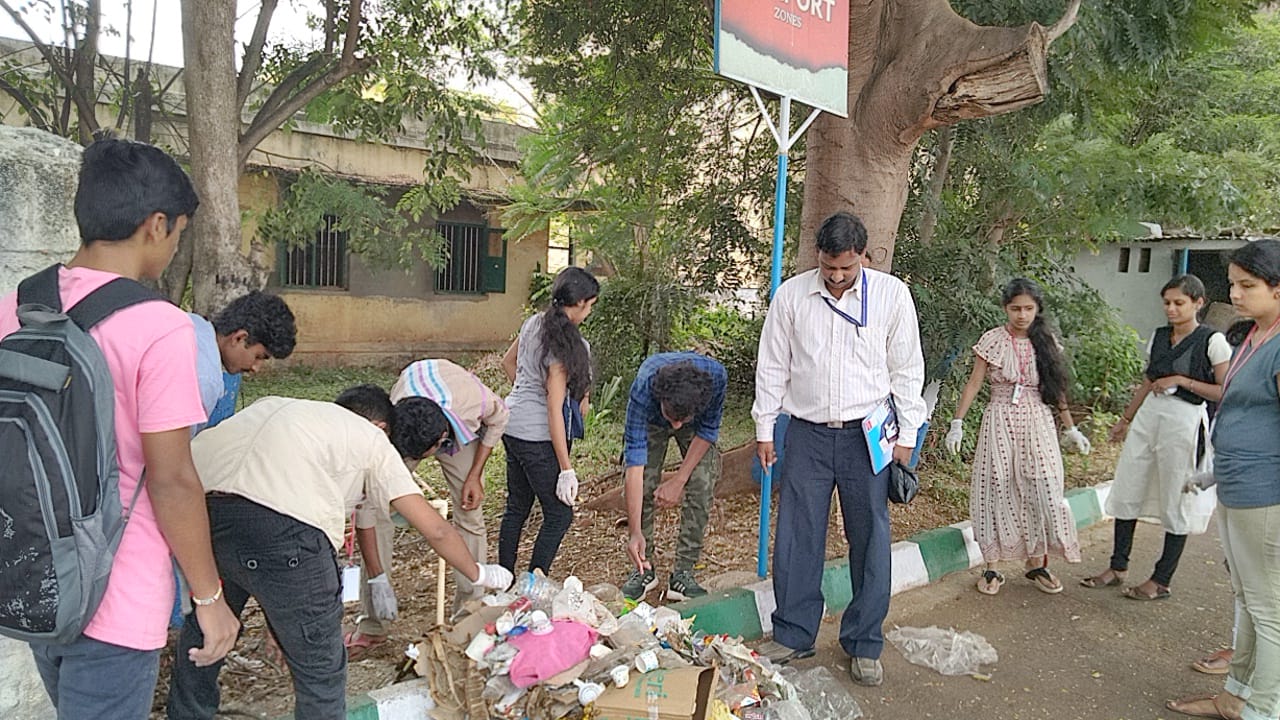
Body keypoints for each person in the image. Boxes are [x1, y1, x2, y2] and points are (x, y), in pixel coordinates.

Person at [0, 138, 238, 718]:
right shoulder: (160, 327)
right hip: (119, 596)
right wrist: (209, 597)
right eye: (178, 232)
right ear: (156, 225)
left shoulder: (14, 306)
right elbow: (172, 478)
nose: (174, 245)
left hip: (35, 572)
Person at [165, 386, 513, 720]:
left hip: (201, 515)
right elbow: (435, 528)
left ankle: (187, 714)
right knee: (320, 671)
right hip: (288, 535)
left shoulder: (279, 406)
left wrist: (285, 618)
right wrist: (479, 572)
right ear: (381, 426)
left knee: (206, 629)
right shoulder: (373, 439)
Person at [752, 211, 926, 687]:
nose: (835, 276)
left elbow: (907, 369)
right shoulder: (792, 297)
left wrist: (907, 437)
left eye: (846, 268)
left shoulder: (892, 296)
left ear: (864, 256)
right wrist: (765, 428)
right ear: (818, 256)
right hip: (806, 434)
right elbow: (772, 365)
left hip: (866, 436)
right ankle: (793, 632)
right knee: (797, 534)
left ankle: (864, 642)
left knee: (870, 538)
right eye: (828, 267)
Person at [1168, 239, 1280, 720]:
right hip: (1236, 484)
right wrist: (1213, 474)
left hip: (1265, 490)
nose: (1234, 294)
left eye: (1247, 285)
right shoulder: (1252, 336)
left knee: (1268, 608)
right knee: (1247, 599)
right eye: (1233, 284)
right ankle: (1235, 697)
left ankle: (1264, 709)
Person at [346, 359, 510, 657]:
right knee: (377, 508)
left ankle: (468, 616)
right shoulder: (396, 420)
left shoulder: (475, 402)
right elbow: (365, 510)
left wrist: (475, 474)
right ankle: (373, 623)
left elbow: (501, 418)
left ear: (440, 442)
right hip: (415, 421)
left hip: (458, 424)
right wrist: (376, 577)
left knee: (470, 512)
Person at [1081, 275, 1229, 600]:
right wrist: (1125, 420)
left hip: (1185, 420)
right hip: (1150, 416)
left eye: (1179, 303)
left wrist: (1181, 380)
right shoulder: (1160, 336)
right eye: (1167, 303)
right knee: (1129, 484)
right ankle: (1117, 566)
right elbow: (1148, 381)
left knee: (1177, 493)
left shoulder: (1212, 341)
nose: (1172, 309)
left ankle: (1161, 578)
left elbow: (1223, 390)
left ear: (1198, 303)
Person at [945, 277, 1090, 596]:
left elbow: (1056, 389)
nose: (1022, 315)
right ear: (1005, 308)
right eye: (1015, 309)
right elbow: (974, 383)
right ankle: (992, 566)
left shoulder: (1046, 341)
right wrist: (957, 422)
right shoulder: (992, 340)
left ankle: (1036, 563)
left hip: (1037, 420)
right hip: (999, 419)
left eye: (1028, 308)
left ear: (1037, 309)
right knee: (996, 487)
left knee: (1043, 487)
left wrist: (1071, 428)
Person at [498, 266, 599, 573]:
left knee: (517, 506)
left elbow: (507, 363)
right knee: (559, 515)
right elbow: (554, 411)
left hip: (511, 424)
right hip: (536, 437)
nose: (589, 312)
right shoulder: (565, 345)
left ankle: (504, 579)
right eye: (590, 305)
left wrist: (525, 396)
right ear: (579, 303)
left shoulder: (534, 323)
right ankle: (533, 584)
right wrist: (566, 469)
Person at [620, 353, 728, 601]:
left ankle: (683, 574)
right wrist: (634, 532)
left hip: (696, 425)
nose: (676, 426)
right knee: (643, 482)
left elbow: (708, 431)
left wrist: (679, 480)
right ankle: (643, 568)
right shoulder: (645, 386)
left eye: (681, 420)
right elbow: (635, 464)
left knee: (702, 481)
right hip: (652, 420)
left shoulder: (716, 379)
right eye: (673, 419)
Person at [190, 291, 297, 431]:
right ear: (239, 338)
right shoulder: (205, 380)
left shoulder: (192, 323)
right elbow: (172, 443)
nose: (255, 368)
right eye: (258, 357)